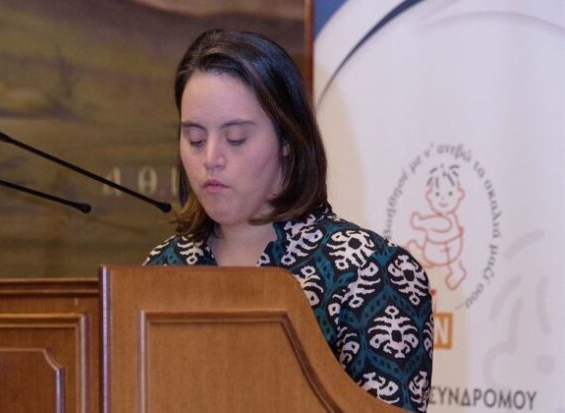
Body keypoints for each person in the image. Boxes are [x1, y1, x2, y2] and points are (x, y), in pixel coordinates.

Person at [145, 29, 433, 412]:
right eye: (195, 139)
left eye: (235, 138)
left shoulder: (371, 271)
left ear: (287, 140)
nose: (210, 158)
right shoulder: (162, 269)